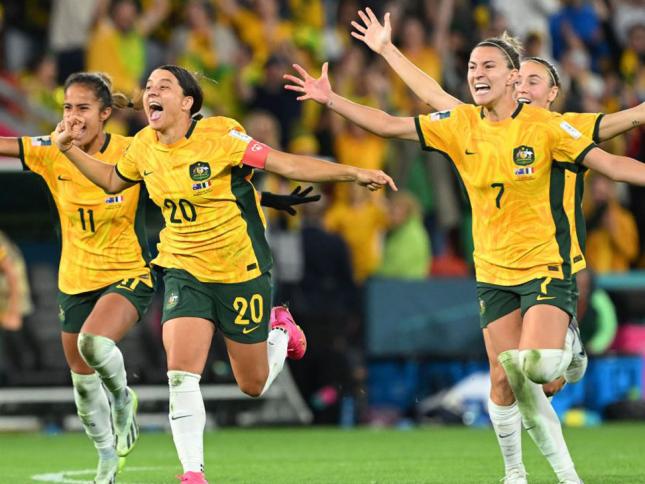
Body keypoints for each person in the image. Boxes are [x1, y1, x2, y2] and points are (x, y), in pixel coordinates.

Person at [284, 26, 645, 484]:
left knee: (538, 367)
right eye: (472, 66)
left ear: (513, 77)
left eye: (488, 65)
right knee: (504, 378)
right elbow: (390, 123)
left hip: (546, 265)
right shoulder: (460, 124)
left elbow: (612, 165)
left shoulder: (550, 126)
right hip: (493, 271)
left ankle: (569, 347)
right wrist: (333, 98)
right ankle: (520, 474)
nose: (477, 73)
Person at [52, 64, 396, 484]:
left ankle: (280, 332)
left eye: (163, 86)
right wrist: (68, 149)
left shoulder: (220, 135)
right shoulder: (142, 146)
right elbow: (110, 180)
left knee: (252, 384)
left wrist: (352, 173)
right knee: (181, 373)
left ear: (187, 102)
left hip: (239, 269)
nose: (151, 92)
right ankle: (192, 472)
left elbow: (283, 163)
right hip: (183, 269)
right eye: (149, 86)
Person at [0, 71, 323, 484]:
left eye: (83, 108)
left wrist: (262, 196)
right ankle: (109, 459)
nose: (73, 116)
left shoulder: (134, 147)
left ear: (105, 113)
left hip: (129, 272)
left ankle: (124, 402)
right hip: (75, 279)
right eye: (67, 108)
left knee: (95, 343)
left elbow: (189, 183)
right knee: (82, 382)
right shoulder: (51, 148)